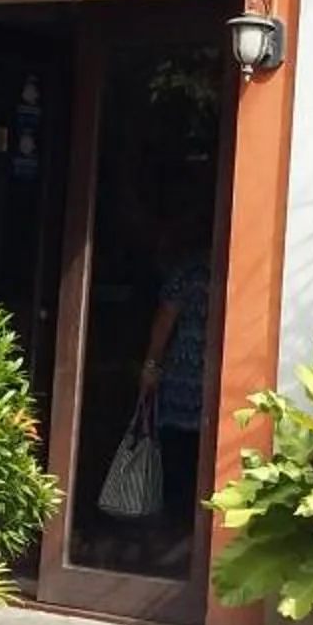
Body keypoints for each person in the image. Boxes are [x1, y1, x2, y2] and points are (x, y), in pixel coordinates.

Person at [133, 194, 214, 560]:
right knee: (199, 459)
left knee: (179, 458)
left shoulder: (189, 270)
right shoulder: (224, 268)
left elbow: (164, 320)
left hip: (184, 379)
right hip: (210, 380)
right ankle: (189, 536)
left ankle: (178, 533)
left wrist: (151, 366)